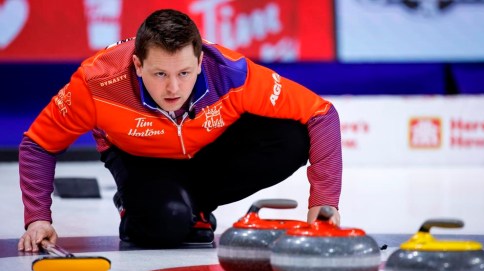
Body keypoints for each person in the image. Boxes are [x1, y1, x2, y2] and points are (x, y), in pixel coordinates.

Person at [17, 9, 342, 251]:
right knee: (164, 227)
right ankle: (144, 204)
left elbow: (321, 114)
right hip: (139, 158)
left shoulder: (232, 73)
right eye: (159, 74)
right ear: (138, 65)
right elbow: (38, 144)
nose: (173, 88)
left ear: (200, 62)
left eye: (185, 73)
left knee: (293, 138)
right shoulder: (97, 83)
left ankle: (196, 205)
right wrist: (38, 219)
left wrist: (324, 202)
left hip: (206, 151)